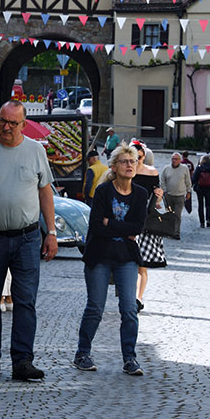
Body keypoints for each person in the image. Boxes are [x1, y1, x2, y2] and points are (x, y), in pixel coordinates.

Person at [0, 100, 57, 382]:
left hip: (27, 237)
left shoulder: (36, 151)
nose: (5, 127)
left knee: (25, 302)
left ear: (23, 124)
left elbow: (45, 193)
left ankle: (23, 361)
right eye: (1, 120)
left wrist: (51, 232)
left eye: (12, 123)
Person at [74, 145, 149, 376]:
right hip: (100, 256)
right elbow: (96, 225)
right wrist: (118, 228)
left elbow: (138, 227)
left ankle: (130, 359)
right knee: (95, 308)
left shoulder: (140, 194)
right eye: (125, 161)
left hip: (126, 257)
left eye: (133, 161)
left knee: (129, 309)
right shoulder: (104, 191)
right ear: (114, 167)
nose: (130, 165)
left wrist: (111, 224)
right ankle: (82, 354)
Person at [131, 141, 165, 312]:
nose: (136, 160)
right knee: (126, 262)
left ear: (144, 156)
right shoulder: (124, 171)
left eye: (139, 157)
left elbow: (157, 201)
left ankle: (138, 297)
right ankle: (128, 295)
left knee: (141, 264)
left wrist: (159, 196)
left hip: (145, 220)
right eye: (132, 157)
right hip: (125, 219)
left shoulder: (152, 172)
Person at [159, 152, 192, 238]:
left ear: (180, 160)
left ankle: (176, 232)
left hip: (180, 195)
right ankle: (169, 231)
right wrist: (164, 191)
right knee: (169, 214)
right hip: (168, 195)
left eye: (176, 159)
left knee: (177, 215)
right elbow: (162, 181)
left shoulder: (184, 169)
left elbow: (188, 181)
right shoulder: (166, 169)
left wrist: (189, 191)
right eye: (173, 159)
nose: (174, 161)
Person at [192, 154, 210, 228]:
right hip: (209, 188)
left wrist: (191, 186)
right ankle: (208, 221)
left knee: (200, 205)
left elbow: (194, 179)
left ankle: (202, 222)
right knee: (208, 205)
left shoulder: (199, 168)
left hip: (199, 188)